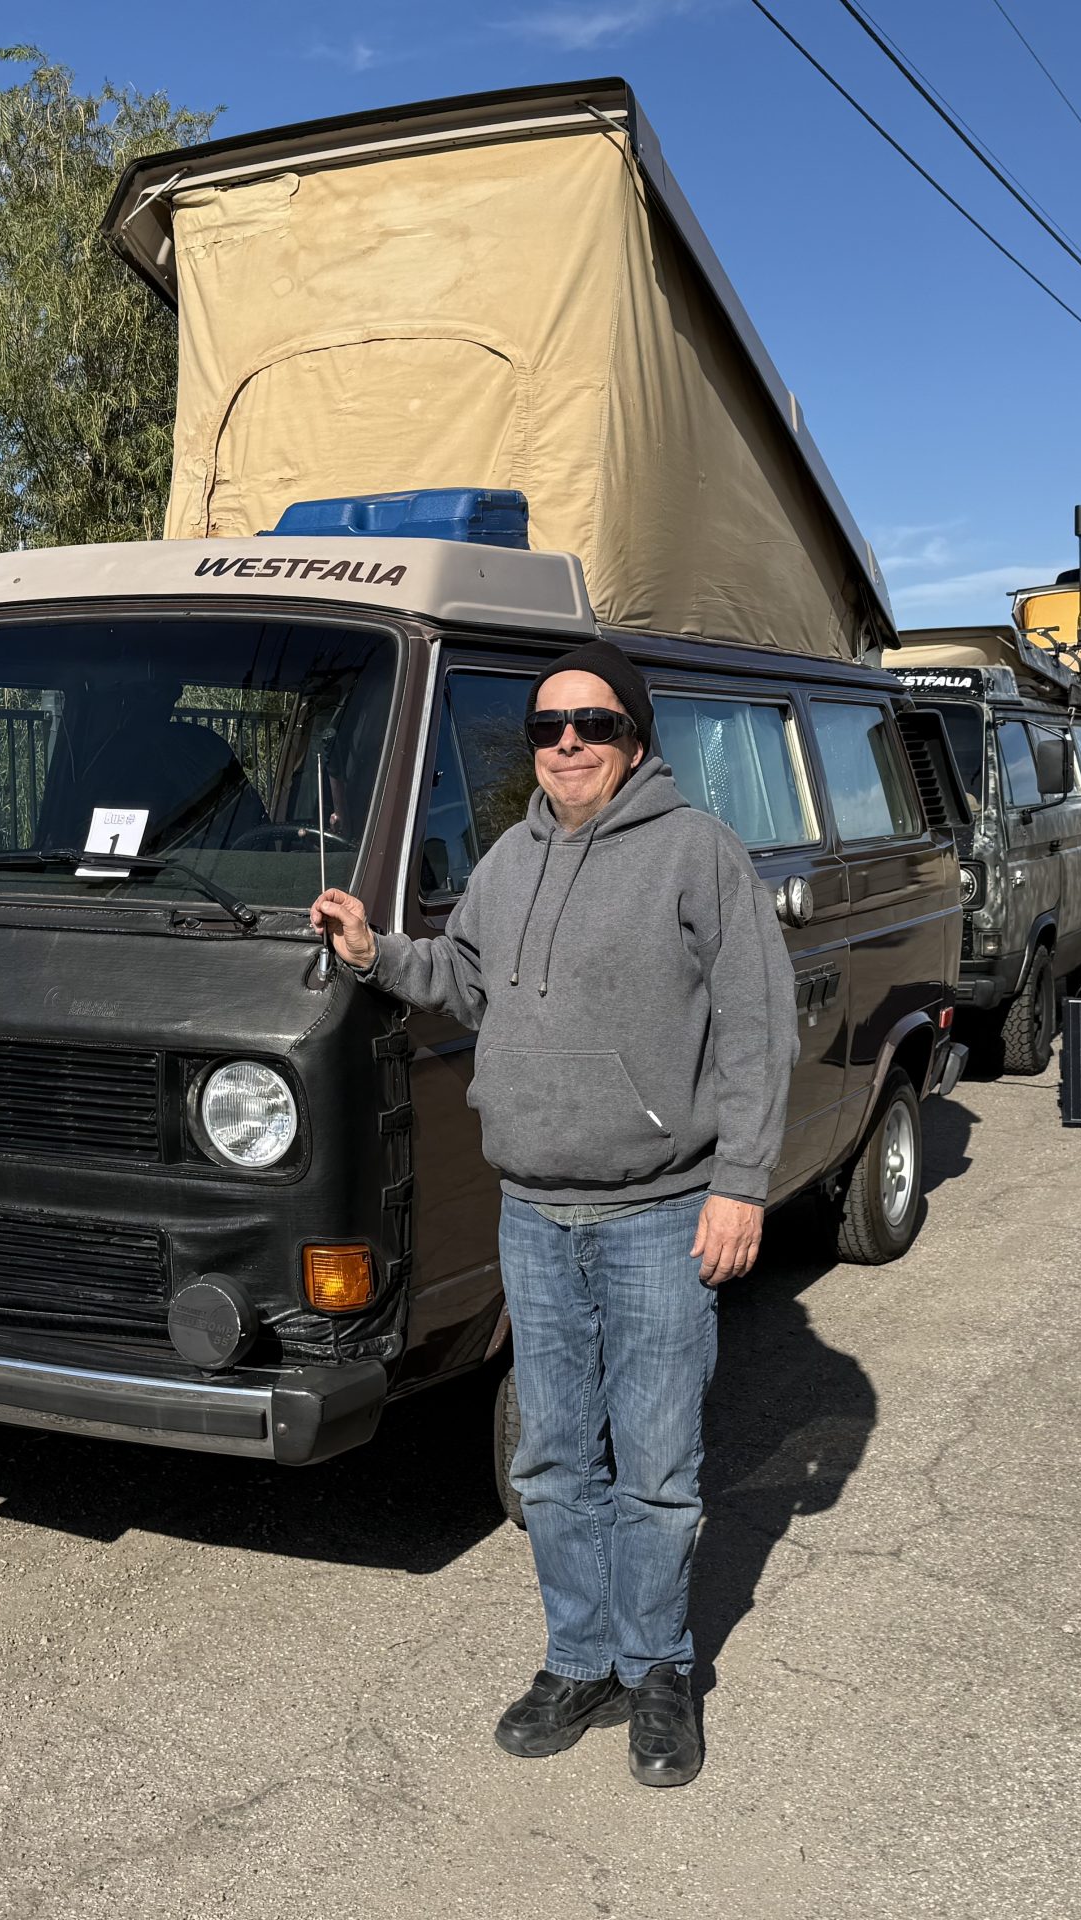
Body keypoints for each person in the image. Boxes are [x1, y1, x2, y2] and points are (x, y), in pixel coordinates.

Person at [309, 639, 795, 1791]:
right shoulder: (507, 860)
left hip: (660, 1216)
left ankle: (660, 1669)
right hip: (533, 1216)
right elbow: (464, 979)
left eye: (590, 724)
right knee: (553, 1460)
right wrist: (377, 953)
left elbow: (755, 1026)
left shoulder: (697, 852)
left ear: (634, 739)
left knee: (659, 1466)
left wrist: (740, 1184)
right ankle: (579, 1660)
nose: (566, 743)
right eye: (544, 727)